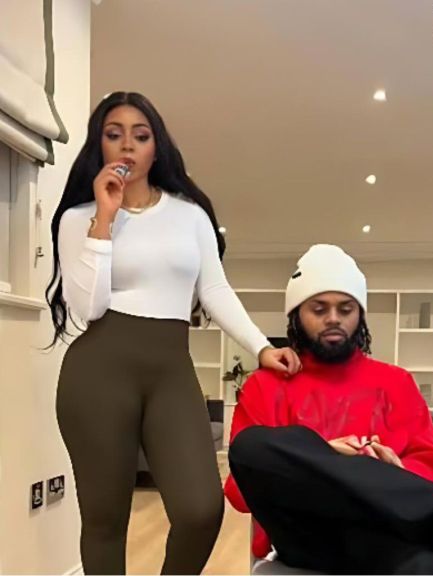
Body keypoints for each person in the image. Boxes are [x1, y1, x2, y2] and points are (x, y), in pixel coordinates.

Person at [45, 91, 301, 575]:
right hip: (97, 372)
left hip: (170, 370)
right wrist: (105, 217)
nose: (127, 147)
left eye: (140, 136)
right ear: (99, 146)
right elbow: (87, 306)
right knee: (104, 522)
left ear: (155, 148)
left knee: (201, 508)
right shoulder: (80, 219)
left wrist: (262, 347)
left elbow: (215, 287)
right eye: (114, 135)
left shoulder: (189, 215)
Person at [224, 244, 433, 575]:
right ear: (296, 315)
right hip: (305, 535)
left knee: (423, 566)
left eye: (345, 308)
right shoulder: (266, 385)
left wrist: (396, 468)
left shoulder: (397, 383)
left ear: (360, 314)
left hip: (384, 531)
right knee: (251, 447)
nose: (333, 318)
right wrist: (322, 457)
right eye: (319, 309)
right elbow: (239, 490)